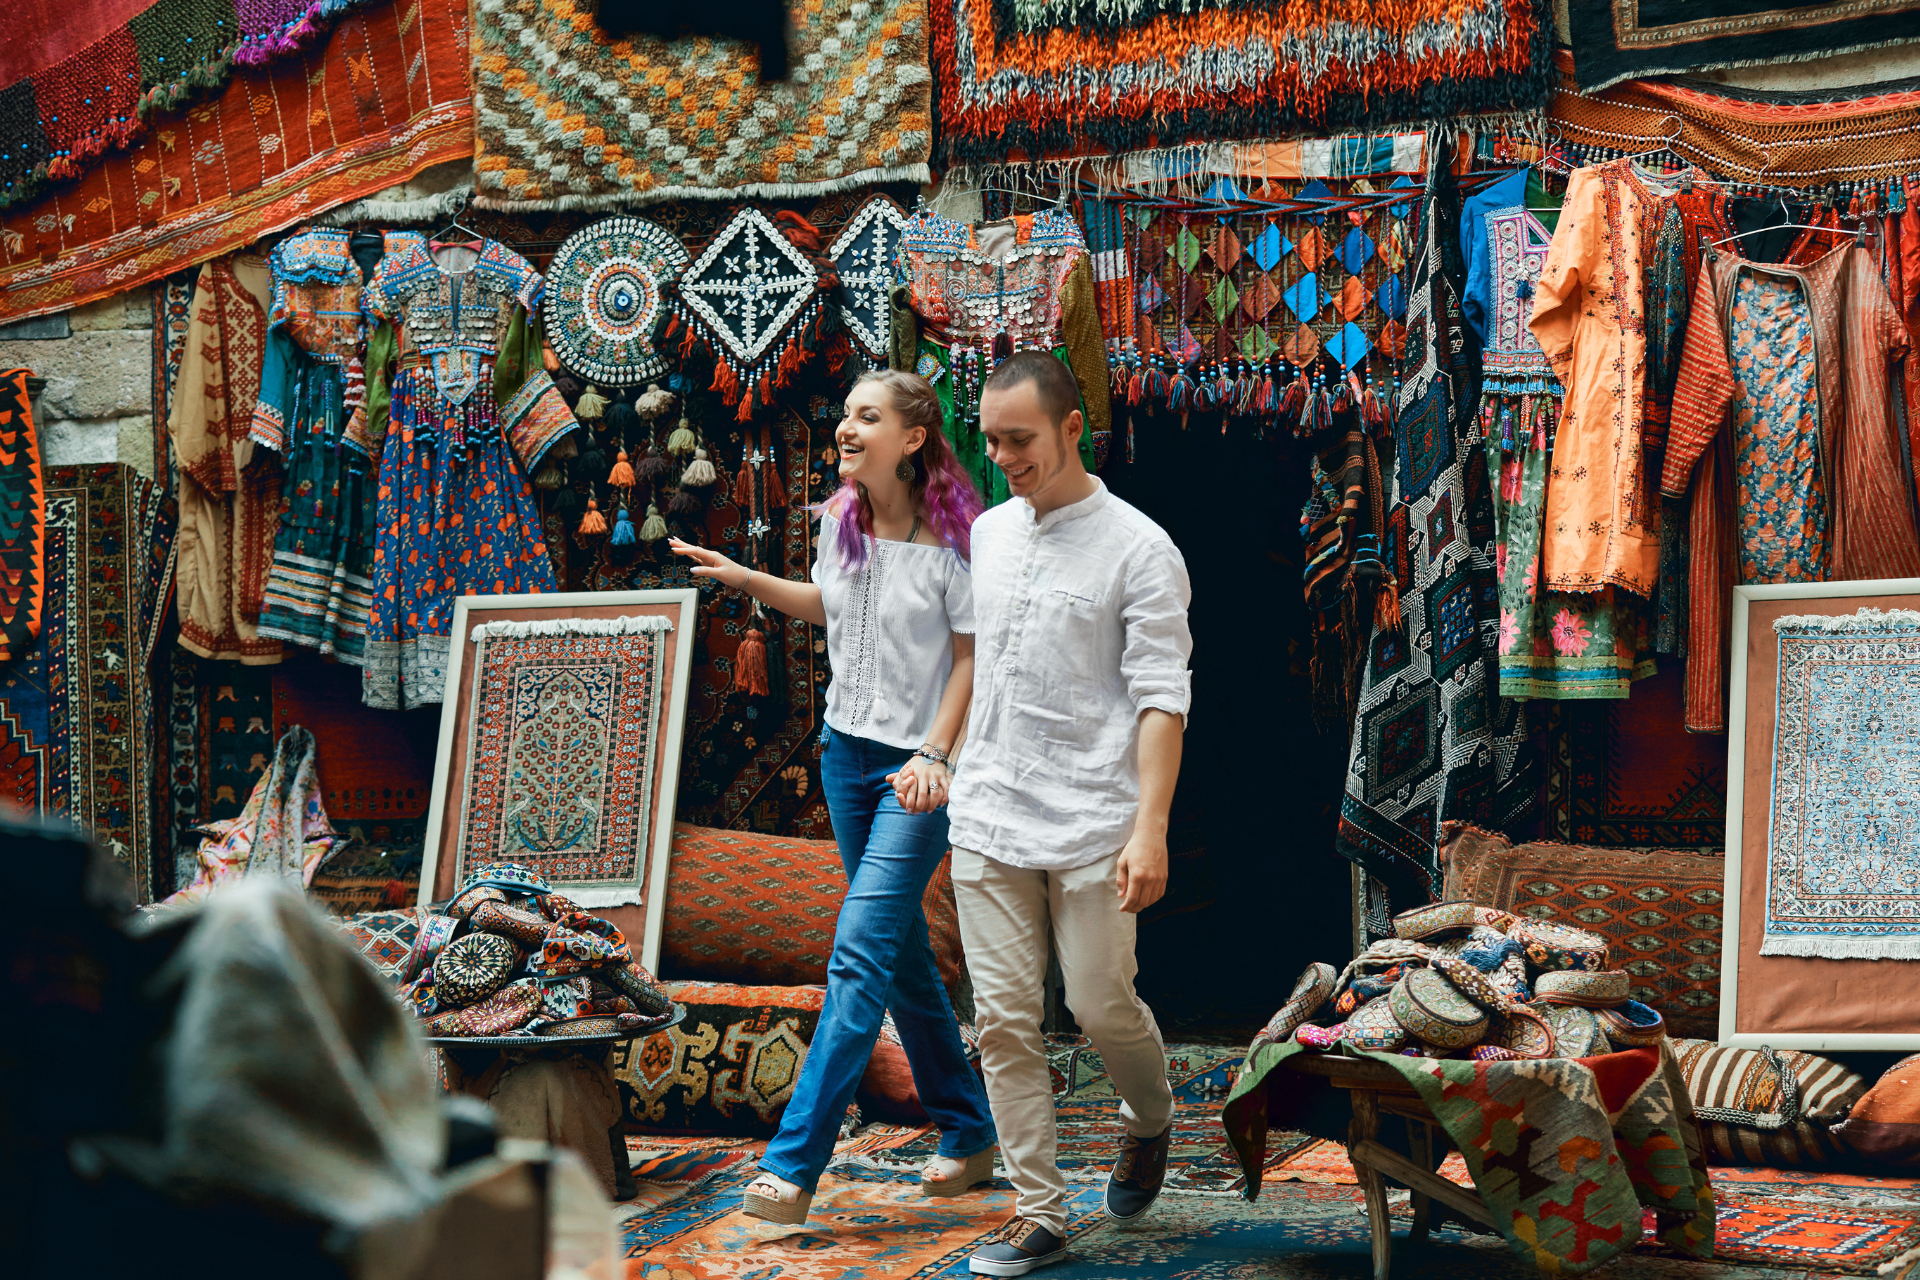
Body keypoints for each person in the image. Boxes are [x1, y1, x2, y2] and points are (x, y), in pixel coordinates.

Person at [669, 369, 997, 1224]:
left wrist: (936, 752)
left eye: (868, 417)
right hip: (842, 758)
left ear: (914, 437)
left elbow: (971, 660)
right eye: (847, 415)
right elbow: (830, 607)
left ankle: (793, 1163)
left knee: (856, 956)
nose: (848, 429)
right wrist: (743, 578)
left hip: (916, 775)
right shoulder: (844, 521)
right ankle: (968, 1129)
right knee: (902, 958)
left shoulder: (956, 543)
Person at [941, 351, 1192, 1277]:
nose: (1003, 455)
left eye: (1022, 439)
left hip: (1096, 814)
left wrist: (1150, 826)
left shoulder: (1140, 548)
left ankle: (1152, 1115)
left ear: (1072, 427)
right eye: (993, 438)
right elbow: (977, 664)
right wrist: (942, 758)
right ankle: (1038, 1208)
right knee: (1003, 1021)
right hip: (991, 811)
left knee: (1096, 1001)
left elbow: (1163, 696)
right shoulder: (988, 535)